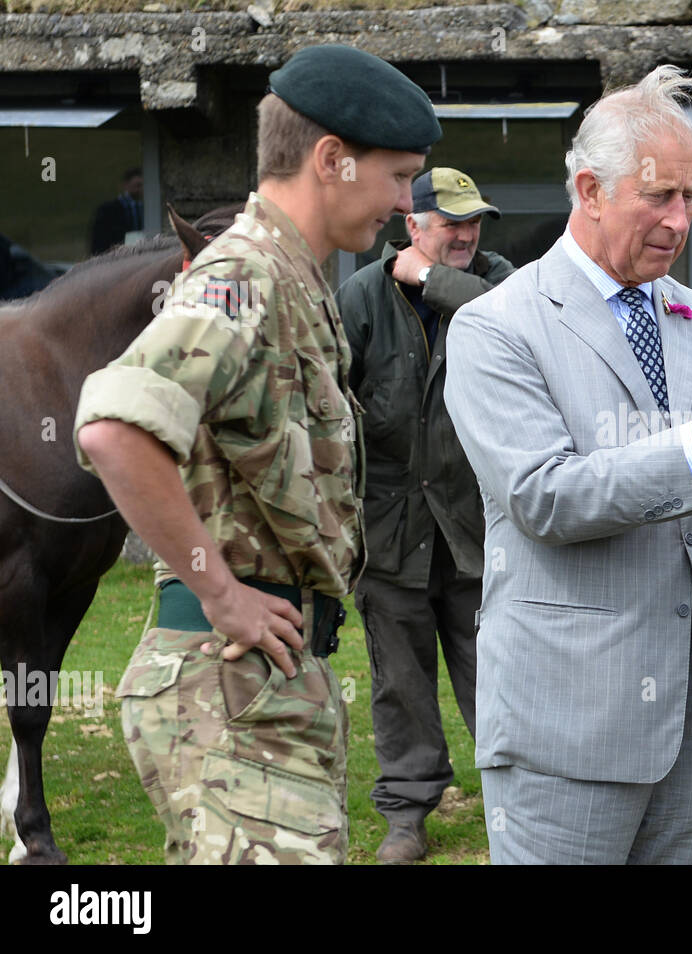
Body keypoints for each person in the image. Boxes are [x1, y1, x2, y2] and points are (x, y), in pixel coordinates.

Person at [73, 44, 441, 864]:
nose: (404, 201)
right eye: (397, 175)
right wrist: (221, 590)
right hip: (230, 679)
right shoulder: (241, 276)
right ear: (331, 160)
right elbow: (115, 425)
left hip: (265, 684)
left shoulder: (294, 276)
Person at [443, 64, 692, 865]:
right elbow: (542, 498)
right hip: (567, 726)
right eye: (659, 197)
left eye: (691, 197)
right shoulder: (494, 328)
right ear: (589, 190)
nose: (680, 221)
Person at [336, 167, 514, 863]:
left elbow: (513, 325)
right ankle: (408, 814)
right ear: (412, 226)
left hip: (478, 528)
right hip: (390, 531)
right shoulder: (360, 298)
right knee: (400, 683)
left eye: (474, 221)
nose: (468, 234)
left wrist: (433, 281)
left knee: (496, 676)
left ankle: (517, 801)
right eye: (451, 223)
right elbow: (328, 404)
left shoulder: (501, 280)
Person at [89, 168, 145, 255]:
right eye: (137, 185)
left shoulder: (144, 208)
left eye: (142, 185)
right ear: (126, 185)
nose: (140, 189)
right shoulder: (108, 210)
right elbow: (99, 238)